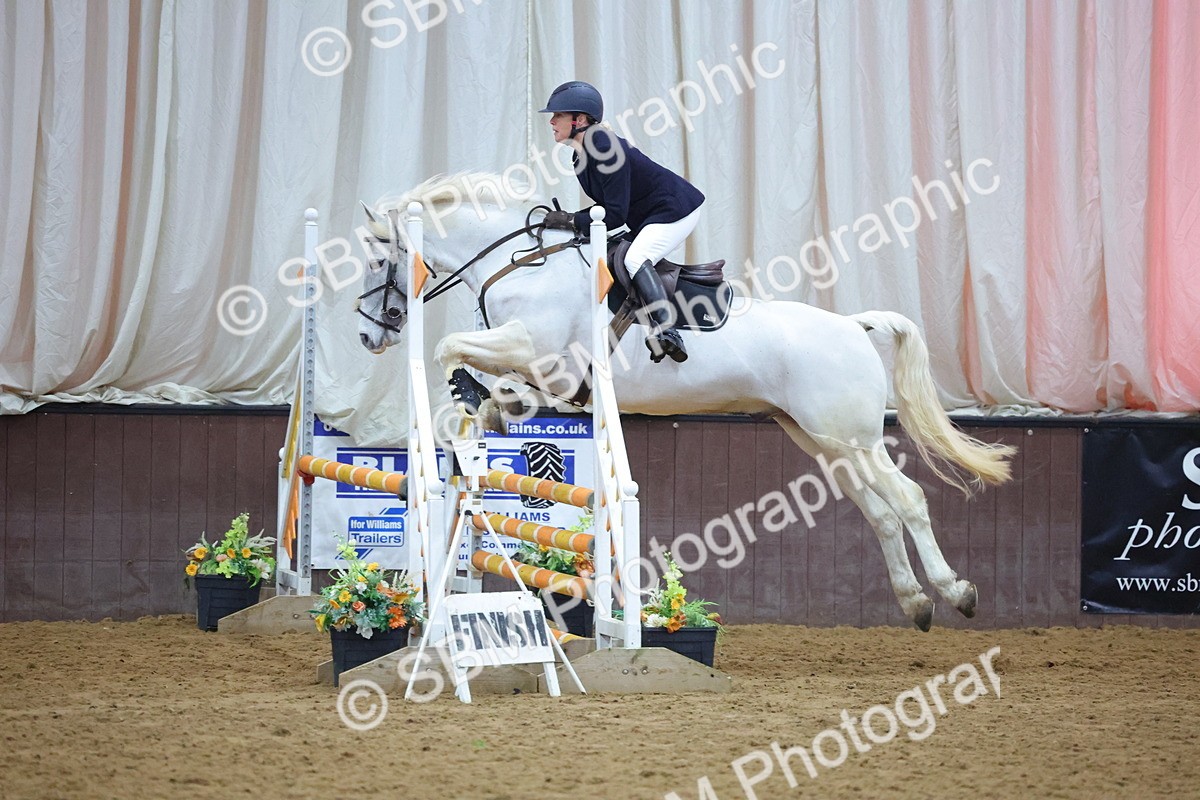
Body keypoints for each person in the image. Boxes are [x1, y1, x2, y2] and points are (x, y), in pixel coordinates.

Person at [539, 80, 703, 364]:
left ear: (579, 119)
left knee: (636, 258)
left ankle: (667, 329)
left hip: (674, 209)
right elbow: (609, 208)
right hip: (647, 215)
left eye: (558, 115)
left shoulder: (602, 145)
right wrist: (572, 221)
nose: (552, 121)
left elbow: (612, 214)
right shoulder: (580, 155)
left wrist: (570, 220)